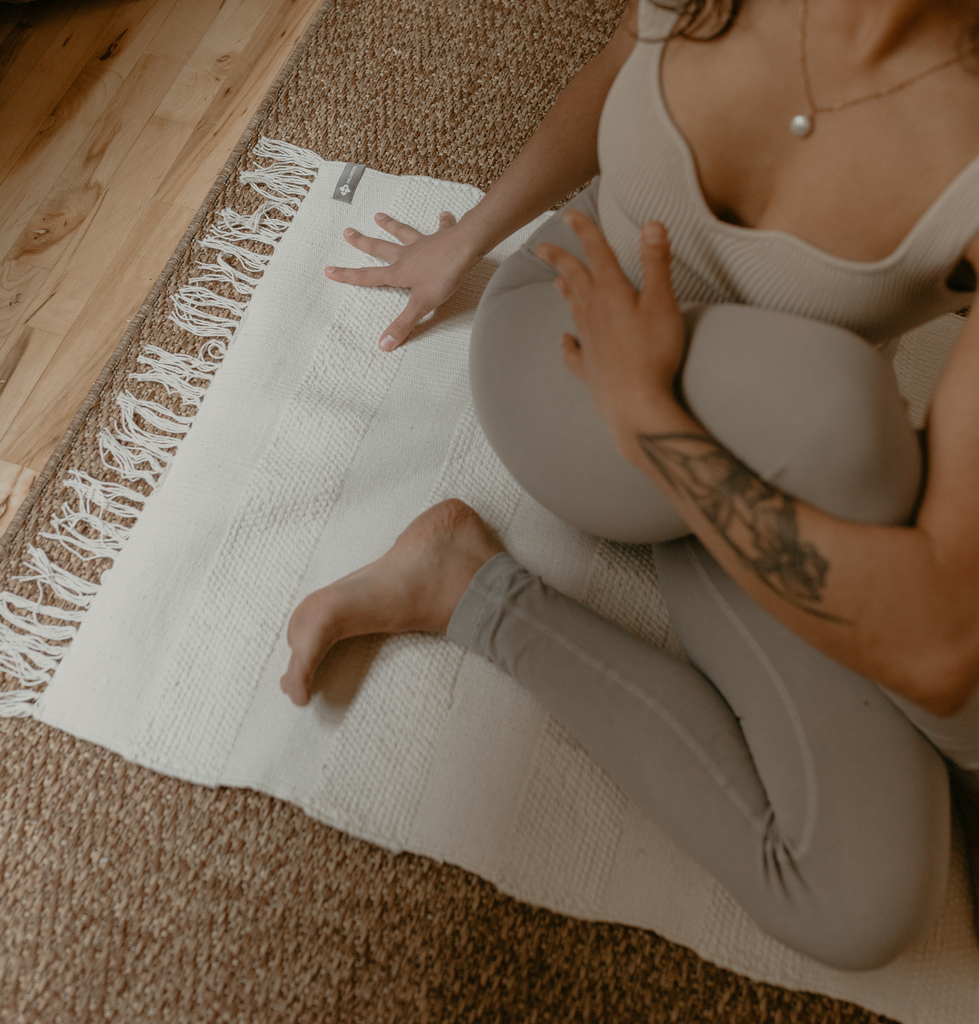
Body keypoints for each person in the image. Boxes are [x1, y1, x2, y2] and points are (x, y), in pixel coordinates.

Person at [280, 0, 979, 969]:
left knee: (864, 902)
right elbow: (624, 52)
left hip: (745, 470)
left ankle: (459, 584)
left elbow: (943, 643)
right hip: (569, 361)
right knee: (849, 415)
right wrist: (474, 230)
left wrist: (656, 423)